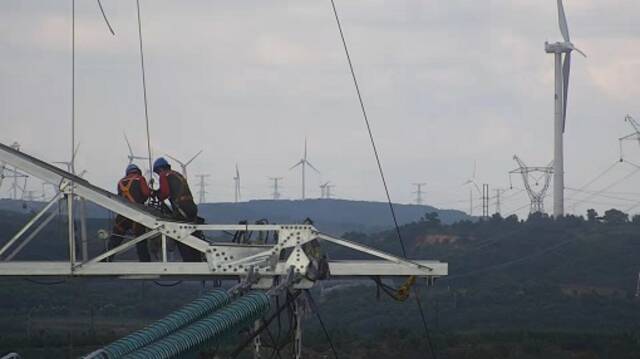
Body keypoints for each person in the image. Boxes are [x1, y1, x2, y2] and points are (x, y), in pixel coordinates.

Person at [152, 157, 202, 262]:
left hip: (182, 209)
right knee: (193, 234)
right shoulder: (177, 174)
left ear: (160, 169)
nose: (158, 174)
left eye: (157, 172)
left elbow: (165, 193)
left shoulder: (163, 175)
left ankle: (189, 261)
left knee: (178, 235)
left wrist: (157, 195)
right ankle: (197, 258)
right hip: (191, 208)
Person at [107, 164, 151, 262]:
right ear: (138, 171)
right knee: (141, 241)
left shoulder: (120, 182)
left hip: (123, 216)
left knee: (115, 239)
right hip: (137, 215)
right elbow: (146, 193)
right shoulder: (140, 179)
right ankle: (145, 263)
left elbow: (120, 198)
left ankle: (105, 260)